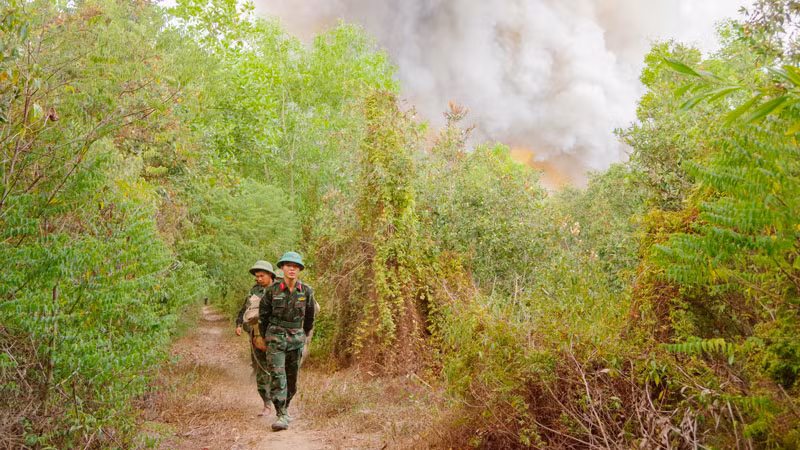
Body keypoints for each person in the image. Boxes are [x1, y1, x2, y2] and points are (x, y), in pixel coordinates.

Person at [255, 251, 316, 431]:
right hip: (275, 337)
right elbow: (263, 317)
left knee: (292, 378)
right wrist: (265, 338)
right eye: (288, 265)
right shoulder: (272, 290)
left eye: (295, 266)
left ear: (299, 270)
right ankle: (281, 414)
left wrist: (303, 335)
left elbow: (310, 317)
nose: (292, 269)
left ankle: (286, 407)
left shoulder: (306, 291)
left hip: (296, 338)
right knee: (277, 375)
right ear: (282, 268)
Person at [235, 260, 276, 416]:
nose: (259, 279)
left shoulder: (281, 289)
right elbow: (245, 309)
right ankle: (267, 404)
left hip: (276, 337)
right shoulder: (254, 291)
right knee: (261, 369)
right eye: (257, 276)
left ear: (270, 275)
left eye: (261, 276)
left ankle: (280, 404)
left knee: (277, 370)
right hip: (257, 336)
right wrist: (240, 323)